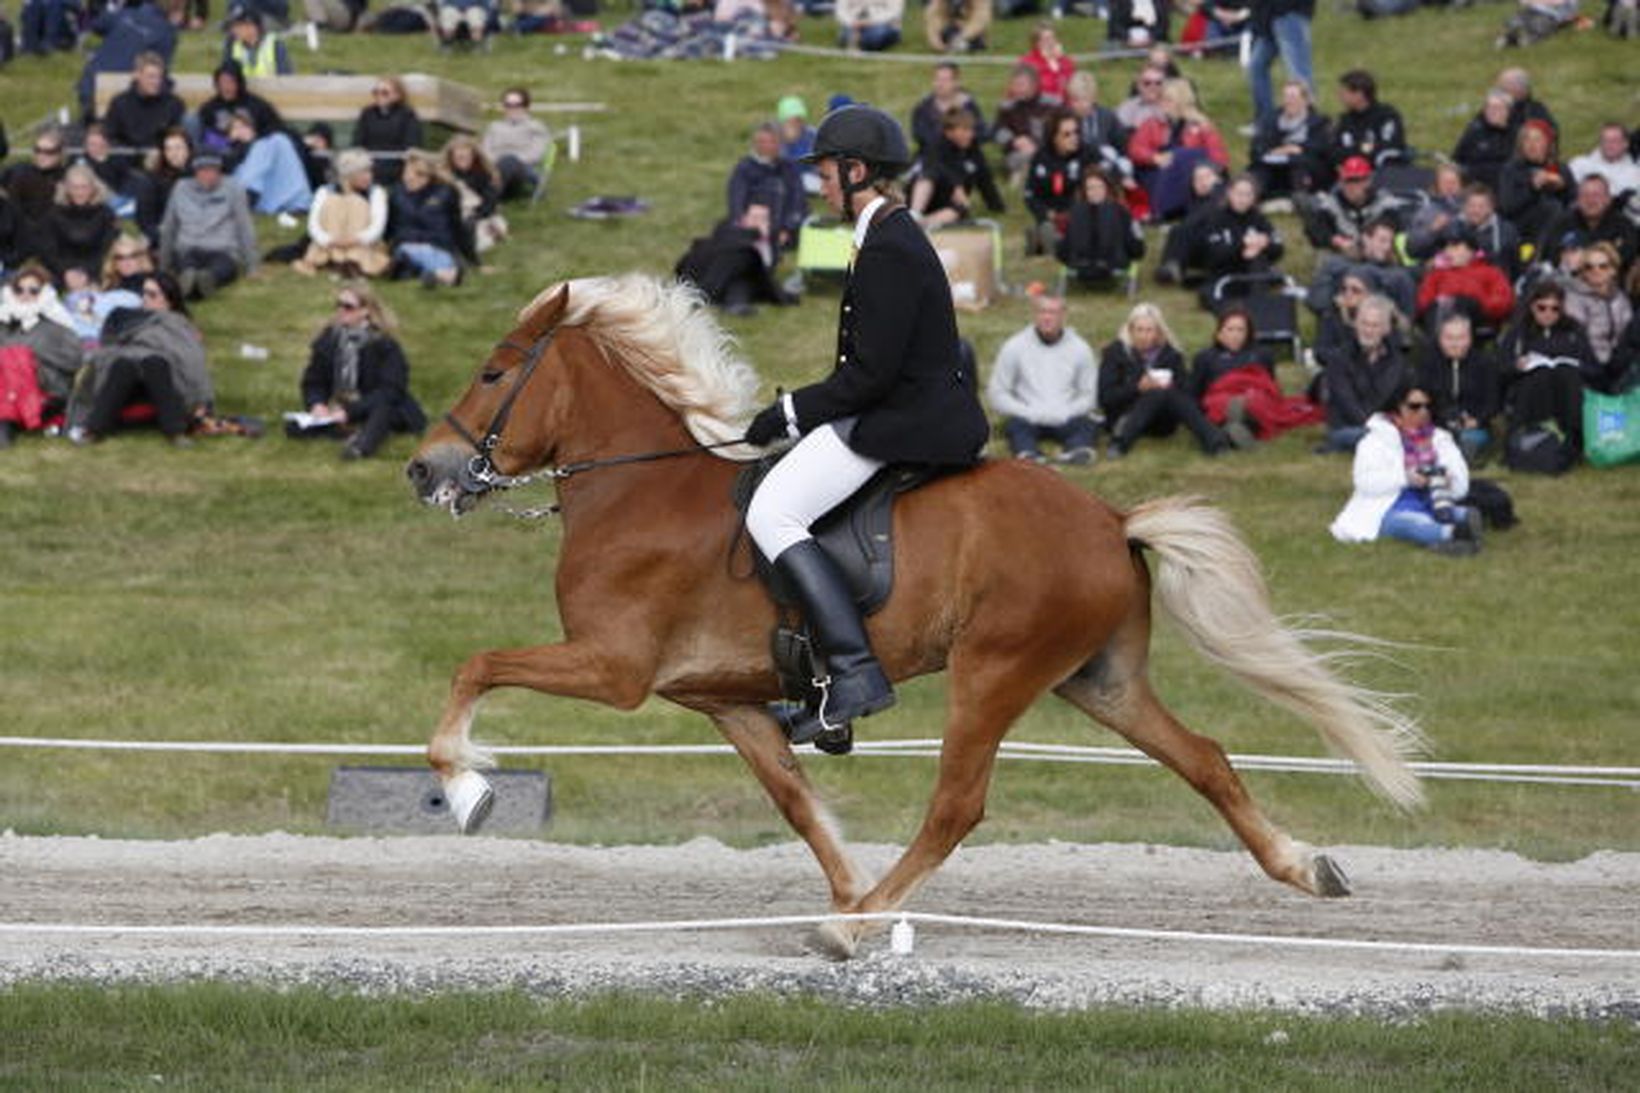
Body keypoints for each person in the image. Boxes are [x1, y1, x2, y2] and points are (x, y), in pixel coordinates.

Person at [741, 105, 988, 752]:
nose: (820, 185)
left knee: (771, 513)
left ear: (857, 171)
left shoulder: (890, 247)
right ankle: (825, 679)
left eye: (826, 173)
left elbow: (869, 376)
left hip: (905, 419)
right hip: (891, 406)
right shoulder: (883, 238)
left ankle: (853, 676)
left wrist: (788, 412)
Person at [1329, 383, 1482, 556]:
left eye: (1427, 406)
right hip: (1388, 505)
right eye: (1414, 407)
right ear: (1397, 408)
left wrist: (1448, 479)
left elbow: (1461, 485)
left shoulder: (1441, 438)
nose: (1423, 412)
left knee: (1459, 513)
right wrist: (1405, 478)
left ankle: (1457, 534)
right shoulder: (1375, 440)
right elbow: (1364, 482)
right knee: (1413, 523)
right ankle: (1453, 535)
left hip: (1433, 500)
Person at [68, 271, 213, 447]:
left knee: (154, 363)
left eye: (152, 295)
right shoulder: (124, 317)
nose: (145, 298)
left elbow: (191, 361)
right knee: (124, 364)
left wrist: (202, 401)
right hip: (123, 383)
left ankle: (176, 432)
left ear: (169, 299)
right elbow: (107, 348)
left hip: (165, 383)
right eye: (143, 293)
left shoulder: (178, 324)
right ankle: (93, 430)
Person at [296, 283, 426, 460]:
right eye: (339, 305)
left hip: (379, 406)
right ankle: (351, 431)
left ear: (366, 311)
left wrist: (350, 411)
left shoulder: (384, 345)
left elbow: (391, 391)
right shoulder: (329, 340)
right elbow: (313, 381)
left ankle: (361, 447)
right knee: (294, 427)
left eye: (348, 307)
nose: (341, 310)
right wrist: (317, 404)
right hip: (341, 406)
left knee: (382, 409)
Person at [1098, 301, 1229, 458]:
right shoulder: (1115, 354)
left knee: (1164, 394)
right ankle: (1120, 442)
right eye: (1139, 330)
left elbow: (1187, 394)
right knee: (1156, 393)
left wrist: (1172, 388)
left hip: (1162, 422)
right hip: (1126, 413)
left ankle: (1213, 442)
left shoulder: (1171, 355)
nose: (1144, 335)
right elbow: (1105, 398)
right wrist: (1137, 388)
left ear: (1158, 332)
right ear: (1130, 330)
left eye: (1149, 330)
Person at [986, 292, 1099, 464]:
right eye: (1042, 311)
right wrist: (1028, 412)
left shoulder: (1080, 349)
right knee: (1016, 426)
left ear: (1063, 315)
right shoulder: (1014, 346)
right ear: (1034, 314)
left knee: (1087, 424)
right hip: (1028, 416)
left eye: (1053, 312)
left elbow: (1089, 396)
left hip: (1066, 415)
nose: (1047, 317)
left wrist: (1067, 411)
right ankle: (1029, 454)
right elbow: (997, 394)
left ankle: (1077, 450)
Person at [1189, 306, 1320, 447]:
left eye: (1240, 330)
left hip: (1255, 398)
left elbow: (1269, 386)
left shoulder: (1261, 354)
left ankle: (1234, 428)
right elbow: (1196, 393)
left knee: (1256, 400)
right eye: (1230, 329)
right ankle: (1238, 426)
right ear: (1219, 332)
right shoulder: (1205, 357)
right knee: (1223, 404)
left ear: (1248, 333)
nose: (1235, 335)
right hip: (1221, 399)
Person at [1498, 279, 1593, 449]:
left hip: (1566, 393)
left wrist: (1575, 367)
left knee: (1568, 375)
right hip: (1530, 394)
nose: (1548, 313)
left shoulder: (1573, 330)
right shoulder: (1519, 332)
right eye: (1542, 307)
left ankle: (1573, 439)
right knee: (1539, 375)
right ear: (1532, 306)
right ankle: (1528, 435)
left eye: (1555, 308)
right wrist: (1517, 366)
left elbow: (1593, 367)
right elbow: (1501, 368)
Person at [0, 264, 85, 442]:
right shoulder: (5, 323)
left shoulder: (58, 323)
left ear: (44, 293)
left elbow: (75, 361)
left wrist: (31, 356)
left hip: (47, 389)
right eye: (19, 289)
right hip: (8, 388)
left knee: (14, 357)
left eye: (33, 290)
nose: (25, 295)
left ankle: (5, 426)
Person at [158, 152, 259, 300]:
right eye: (203, 171)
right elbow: (169, 226)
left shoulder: (233, 188)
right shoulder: (180, 188)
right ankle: (191, 281)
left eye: (212, 170)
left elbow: (244, 226)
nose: (208, 175)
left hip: (222, 250)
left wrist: (252, 266)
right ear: (195, 172)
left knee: (223, 268)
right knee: (185, 264)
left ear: (219, 171)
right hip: (188, 248)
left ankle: (205, 281)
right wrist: (163, 266)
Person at [1127, 78, 1229, 223]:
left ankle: (1165, 209)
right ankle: (1167, 208)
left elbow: (1219, 158)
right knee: (1173, 160)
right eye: (1162, 98)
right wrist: (1155, 157)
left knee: (1182, 155)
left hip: (1191, 173)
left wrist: (1206, 170)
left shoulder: (1201, 125)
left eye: (1169, 100)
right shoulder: (1153, 122)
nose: (1163, 103)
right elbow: (1135, 149)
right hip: (1158, 171)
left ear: (1181, 102)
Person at [1316, 293, 1408, 452]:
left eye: (1375, 325)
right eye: (1364, 324)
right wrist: (1377, 427)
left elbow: (1390, 398)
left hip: (1384, 425)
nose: (1368, 331)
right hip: (1348, 427)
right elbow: (1348, 404)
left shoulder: (1397, 360)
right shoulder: (1339, 358)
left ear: (1386, 329)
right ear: (1356, 324)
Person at [675, 203, 790, 317]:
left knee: (745, 267)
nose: (758, 222)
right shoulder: (729, 229)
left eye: (763, 219)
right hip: (712, 268)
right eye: (754, 217)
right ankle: (731, 301)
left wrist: (766, 236)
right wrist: (755, 232)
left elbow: (767, 267)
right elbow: (720, 245)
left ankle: (727, 301)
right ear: (744, 219)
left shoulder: (771, 242)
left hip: (749, 277)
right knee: (741, 254)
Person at [1415, 312, 1501, 462]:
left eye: (1461, 338)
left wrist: (1477, 420)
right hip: (1436, 424)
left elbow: (1493, 401)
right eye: (1449, 338)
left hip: (1474, 426)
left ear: (1470, 339)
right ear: (1440, 338)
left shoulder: (1485, 364)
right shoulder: (1427, 363)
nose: (1455, 344)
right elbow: (1421, 397)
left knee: (1469, 442)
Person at [297, 148, 390, 277]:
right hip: (330, 241)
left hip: (363, 244)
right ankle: (333, 258)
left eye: (369, 171)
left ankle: (354, 260)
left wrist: (356, 239)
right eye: (362, 172)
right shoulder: (324, 191)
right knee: (334, 202)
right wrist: (329, 240)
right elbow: (313, 224)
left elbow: (377, 226)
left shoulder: (376, 193)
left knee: (356, 203)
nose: (368, 176)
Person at [908, 108, 1004, 229]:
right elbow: (933, 167)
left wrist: (996, 206)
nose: (970, 134)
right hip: (925, 195)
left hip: (949, 201)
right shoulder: (935, 145)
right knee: (928, 176)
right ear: (949, 132)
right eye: (964, 130)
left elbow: (984, 178)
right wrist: (955, 185)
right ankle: (914, 214)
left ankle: (922, 225)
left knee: (961, 209)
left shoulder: (973, 150)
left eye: (971, 130)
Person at [387, 150, 469, 288]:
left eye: (418, 174)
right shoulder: (396, 193)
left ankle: (436, 273)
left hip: (438, 245)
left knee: (435, 255)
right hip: (406, 245)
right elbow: (390, 227)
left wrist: (473, 260)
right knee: (409, 252)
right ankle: (446, 274)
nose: (410, 178)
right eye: (407, 173)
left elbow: (457, 227)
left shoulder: (446, 192)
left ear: (429, 176)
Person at [1197, 173, 1284, 303]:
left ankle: (1259, 301)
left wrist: (1264, 245)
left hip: (1252, 272)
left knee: (1257, 258)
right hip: (1225, 274)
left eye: (1248, 195)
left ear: (1254, 197)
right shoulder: (1216, 219)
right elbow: (1214, 254)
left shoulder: (1258, 218)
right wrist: (1242, 246)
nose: (1243, 199)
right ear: (1230, 193)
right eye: (1239, 194)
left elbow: (1278, 248)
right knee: (1208, 295)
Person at [1414, 224, 1515, 334]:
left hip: (1478, 323)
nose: (1448, 252)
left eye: (1455, 247)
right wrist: (1442, 302)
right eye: (1446, 247)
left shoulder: (1490, 272)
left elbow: (1503, 301)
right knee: (1441, 307)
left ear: (1471, 250)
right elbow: (1422, 302)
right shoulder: (1436, 274)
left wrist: (1478, 304)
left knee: (1464, 303)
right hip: (1442, 322)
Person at [726, 123, 807, 253]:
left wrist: (788, 228)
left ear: (780, 144)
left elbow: (798, 200)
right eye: (762, 142)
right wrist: (743, 222)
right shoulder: (744, 168)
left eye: (772, 141)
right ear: (755, 143)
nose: (767, 146)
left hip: (783, 228)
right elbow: (736, 199)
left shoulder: (789, 168)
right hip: (753, 226)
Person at [1561, 241, 1633, 386]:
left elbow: (1627, 335)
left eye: (1603, 266)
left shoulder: (1621, 299)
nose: (1596, 271)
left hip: (1619, 365)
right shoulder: (1574, 297)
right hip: (1587, 367)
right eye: (1589, 267)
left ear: (1613, 270)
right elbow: (1577, 339)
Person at [1057, 168, 1145, 286]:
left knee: (1108, 208)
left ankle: (1102, 259)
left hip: (1112, 261)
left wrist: (1136, 247)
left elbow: (1134, 245)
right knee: (1079, 210)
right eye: (1090, 188)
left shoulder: (1120, 212)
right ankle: (1085, 259)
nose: (1095, 191)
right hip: (1081, 263)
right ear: (1085, 191)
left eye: (1099, 187)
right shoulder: (1077, 213)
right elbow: (1065, 247)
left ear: (1107, 189)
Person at [1536, 174, 1637, 276]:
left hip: (1613, 284)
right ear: (1577, 199)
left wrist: (1587, 259)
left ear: (1608, 199)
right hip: (1569, 283)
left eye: (1596, 195)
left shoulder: (1624, 225)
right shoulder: (1562, 222)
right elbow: (1549, 253)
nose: (1590, 200)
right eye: (1584, 195)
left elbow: (1628, 257)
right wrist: (1563, 259)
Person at [1302, 157, 1405, 257]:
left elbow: (1396, 219)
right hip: (1343, 257)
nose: (1351, 186)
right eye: (1348, 180)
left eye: (1357, 180)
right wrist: (1336, 240)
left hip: (1378, 258)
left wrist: (1379, 230)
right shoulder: (1330, 203)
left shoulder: (1383, 201)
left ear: (1368, 181)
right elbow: (1314, 228)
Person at [1248, 79, 1331, 199]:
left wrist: (1297, 150)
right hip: (1274, 166)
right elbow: (1257, 148)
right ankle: (1252, 198)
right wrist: (1280, 150)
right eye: (1286, 96)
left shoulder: (1319, 123)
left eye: (1293, 97)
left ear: (1305, 100)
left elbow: (1321, 149)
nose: (1288, 101)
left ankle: (1302, 200)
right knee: (1259, 171)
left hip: (1303, 168)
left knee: (1300, 169)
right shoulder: (1270, 120)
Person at [101, 51, 187, 163]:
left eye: (159, 77)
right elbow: (110, 136)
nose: (156, 82)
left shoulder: (174, 104)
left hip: (164, 161)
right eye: (151, 77)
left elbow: (179, 138)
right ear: (137, 75)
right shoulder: (120, 103)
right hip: (128, 160)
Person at [1496, 119, 1569, 248]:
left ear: (1548, 143)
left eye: (1537, 140)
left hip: (1556, 234)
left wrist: (1562, 188)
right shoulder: (1511, 170)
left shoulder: (1560, 169)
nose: (1532, 145)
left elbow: (1573, 202)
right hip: (1522, 233)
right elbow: (1507, 207)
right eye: (1527, 140)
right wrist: (1532, 188)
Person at [225, 109, 313, 216]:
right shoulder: (241, 158)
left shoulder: (269, 142)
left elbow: (250, 189)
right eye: (235, 128)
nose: (240, 132)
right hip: (280, 207)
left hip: (292, 207)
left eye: (245, 126)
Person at [41, 164, 120, 284]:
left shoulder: (106, 214)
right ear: (66, 188)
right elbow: (48, 250)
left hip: (95, 269)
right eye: (74, 187)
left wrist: (87, 272)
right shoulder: (53, 213)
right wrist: (65, 271)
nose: (79, 192)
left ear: (93, 188)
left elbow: (106, 248)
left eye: (84, 187)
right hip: (60, 270)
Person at [1245, 0, 1315, 129]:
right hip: (1267, 16)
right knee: (1256, 67)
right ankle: (1266, 121)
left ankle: (1308, 124)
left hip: (1288, 12)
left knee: (1297, 71)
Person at [1023, 111, 1083, 255]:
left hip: (1079, 214)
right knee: (1048, 228)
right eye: (1067, 134)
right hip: (1050, 215)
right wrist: (1044, 213)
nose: (1074, 138)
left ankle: (1047, 243)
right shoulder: (1040, 157)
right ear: (1054, 137)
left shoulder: (1088, 154)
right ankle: (1046, 240)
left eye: (1076, 132)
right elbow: (1030, 194)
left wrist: (1074, 212)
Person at [198, 60, 285, 156]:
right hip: (222, 154)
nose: (226, 87)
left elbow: (276, 129)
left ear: (239, 83)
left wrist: (254, 137)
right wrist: (227, 140)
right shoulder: (209, 108)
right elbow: (204, 136)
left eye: (231, 82)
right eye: (222, 82)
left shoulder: (257, 105)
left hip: (254, 152)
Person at [482, 87, 553, 203]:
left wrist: (509, 160)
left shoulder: (536, 127)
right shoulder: (494, 127)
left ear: (526, 106)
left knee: (509, 161)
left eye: (517, 105)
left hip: (521, 171)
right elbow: (485, 150)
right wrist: (495, 164)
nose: (512, 109)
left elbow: (535, 155)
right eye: (508, 105)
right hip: (493, 168)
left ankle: (487, 198)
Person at [1330, 69, 1409, 170]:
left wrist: (1358, 148)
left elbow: (1389, 146)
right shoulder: (1345, 120)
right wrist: (1363, 148)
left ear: (1359, 94)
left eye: (1344, 92)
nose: (1340, 96)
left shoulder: (1387, 116)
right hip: (1351, 174)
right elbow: (1335, 151)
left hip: (1383, 173)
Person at [992, 64, 1055, 189]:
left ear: (1034, 85)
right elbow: (997, 131)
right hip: (1017, 153)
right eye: (1014, 84)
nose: (1017, 89)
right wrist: (1014, 141)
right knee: (1017, 158)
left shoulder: (1051, 105)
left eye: (1021, 85)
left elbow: (1055, 131)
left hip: (1045, 151)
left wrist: (1036, 144)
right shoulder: (1006, 107)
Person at [442, 137, 507, 255]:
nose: (461, 159)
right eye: (458, 157)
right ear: (451, 157)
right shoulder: (444, 174)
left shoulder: (487, 175)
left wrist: (474, 215)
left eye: (465, 156)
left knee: (478, 238)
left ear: (474, 155)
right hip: (453, 216)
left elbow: (489, 205)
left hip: (479, 216)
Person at [355, 77, 423, 187]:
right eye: (375, 92)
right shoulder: (368, 113)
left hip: (396, 169)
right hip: (369, 167)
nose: (379, 96)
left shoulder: (407, 115)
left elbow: (412, 145)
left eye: (385, 93)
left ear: (397, 95)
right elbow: (358, 141)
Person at [909, 62, 988, 158]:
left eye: (945, 80)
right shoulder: (923, 108)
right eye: (937, 79)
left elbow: (982, 133)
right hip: (933, 158)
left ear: (956, 82)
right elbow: (921, 137)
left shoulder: (968, 105)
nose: (940, 84)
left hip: (964, 156)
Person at [1403, 163, 1469, 265]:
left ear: (1461, 186)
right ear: (1437, 186)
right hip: (1436, 265)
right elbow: (1411, 249)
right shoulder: (1426, 212)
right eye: (1445, 183)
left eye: (1453, 182)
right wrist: (1432, 230)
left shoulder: (1472, 208)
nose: (1449, 187)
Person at [1452, 89, 1516, 195]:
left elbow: (1510, 168)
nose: (1492, 112)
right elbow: (1457, 158)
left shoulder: (1516, 135)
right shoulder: (1474, 131)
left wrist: (1473, 171)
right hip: (1470, 184)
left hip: (1501, 187)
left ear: (1508, 111)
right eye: (1489, 108)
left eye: (1498, 108)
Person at [1569, 123, 1640, 197]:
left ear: (1626, 144)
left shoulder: (1634, 175)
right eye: (1605, 140)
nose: (1609, 145)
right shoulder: (1579, 164)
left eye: (1614, 141)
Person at [222, 9, 293, 76]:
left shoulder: (275, 44)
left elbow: (285, 76)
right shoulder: (231, 45)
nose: (234, 30)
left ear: (252, 27)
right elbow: (226, 77)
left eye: (238, 26)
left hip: (272, 88)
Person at [1018, 22, 1074, 104]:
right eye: (1045, 39)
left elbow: (1071, 90)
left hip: (1063, 111)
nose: (1050, 42)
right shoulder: (1027, 62)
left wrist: (1059, 65)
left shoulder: (1066, 62)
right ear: (1036, 43)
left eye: (1053, 38)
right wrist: (1047, 64)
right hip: (1037, 109)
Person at [776, 96, 820, 195]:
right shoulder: (776, 137)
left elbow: (815, 159)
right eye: (791, 122)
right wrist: (788, 143)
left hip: (808, 175)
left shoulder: (811, 134)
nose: (796, 124)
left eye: (799, 120)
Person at [1115, 64, 1169, 133]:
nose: (1153, 87)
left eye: (1158, 83)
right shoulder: (1128, 107)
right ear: (1138, 85)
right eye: (1147, 83)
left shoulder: (1171, 106)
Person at [924, 0, 990, 54]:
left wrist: (962, 36)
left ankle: (967, 43)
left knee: (975, 39)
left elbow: (981, 17)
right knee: (946, 33)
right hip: (949, 25)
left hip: (968, 27)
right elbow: (933, 13)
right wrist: (935, 41)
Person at [835, 0, 903, 51]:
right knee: (844, 36)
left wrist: (870, 22)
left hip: (883, 24)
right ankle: (858, 42)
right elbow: (841, 10)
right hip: (854, 23)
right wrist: (852, 22)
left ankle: (857, 42)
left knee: (876, 37)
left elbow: (894, 12)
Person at [1107, 0, 1172, 47]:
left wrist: (1151, 38)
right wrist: (1127, 39)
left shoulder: (1158, 2)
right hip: (1125, 39)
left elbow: (1163, 24)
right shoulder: (1119, 2)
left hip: (1151, 39)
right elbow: (1114, 24)